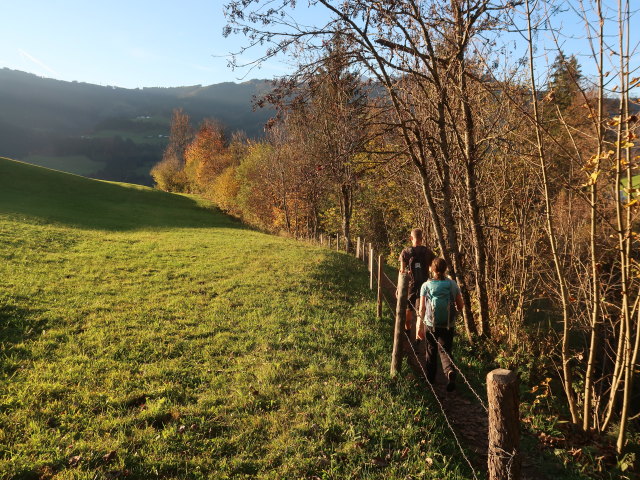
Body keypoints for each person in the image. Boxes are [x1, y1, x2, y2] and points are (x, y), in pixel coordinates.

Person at [418, 257, 463, 392]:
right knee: (445, 351)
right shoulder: (452, 284)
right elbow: (460, 305)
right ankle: (449, 372)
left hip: (431, 324)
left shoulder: (426, 286)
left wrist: (419, 327)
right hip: (448, 324)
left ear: (432, 269)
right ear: (445, 269)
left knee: (431, 350)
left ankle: (431, 380)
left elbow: (422, 308)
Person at [399, 228, 435, 333]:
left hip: (411, 285)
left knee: (408, 308)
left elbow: (402, 271)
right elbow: (433, 269)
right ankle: (419, 337)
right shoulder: (428, 252)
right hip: (425, 285)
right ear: (422, 238)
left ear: (411, 238)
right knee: (421, 310)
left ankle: (408, 330)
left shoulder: (405, 252)